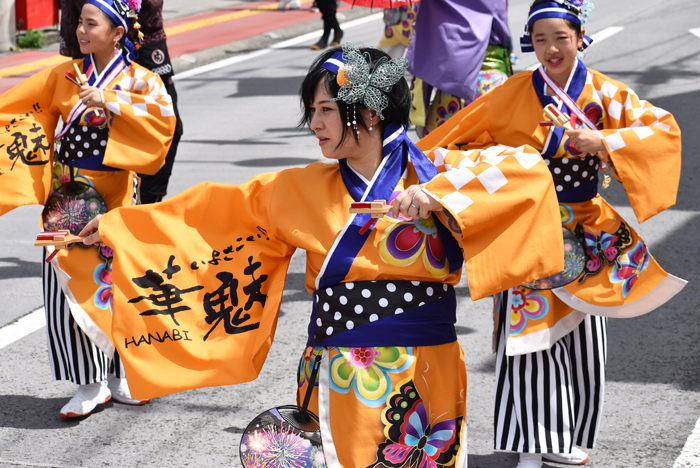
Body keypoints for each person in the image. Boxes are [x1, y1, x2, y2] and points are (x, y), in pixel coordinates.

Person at [79, 44, 563, 466]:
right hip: (338, 369)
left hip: (428, 367)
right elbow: (209, 213)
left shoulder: (438, 172)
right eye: (313, 111)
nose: (314, 123)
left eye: (327, 109)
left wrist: (443, 197)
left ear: (369, 113)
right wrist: (121, 227)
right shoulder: (301, 187)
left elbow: (527, 171)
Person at [418, 1, 686, 467]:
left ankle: (567, 439)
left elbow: (663, 131)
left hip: (587, 228)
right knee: (526, 339)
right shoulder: (515, 92)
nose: (550, 48)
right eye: (539, 40)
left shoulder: (606, 93)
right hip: (527, 226)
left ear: (580, 37)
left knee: (583, 339)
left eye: (560, 37)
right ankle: (530, 446)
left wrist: (604, 143)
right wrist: (501, 167)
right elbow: (452, 140)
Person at [0, 0, 176, 417]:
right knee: (63, 282)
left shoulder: (142, 79)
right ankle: (89, 383)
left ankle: (120, 375)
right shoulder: (64, 74)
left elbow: (163, 122)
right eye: (79, 22)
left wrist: (110, 100)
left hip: (115, 194)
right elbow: (20, 111)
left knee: (114, 283)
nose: (80, 30)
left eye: (90, 23)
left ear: (117, 33)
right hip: (66, 192)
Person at [59, 0, 184, 204]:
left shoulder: (146, 79)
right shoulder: (80, 38)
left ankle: (148, 200)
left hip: (145, 43)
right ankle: (88, 197)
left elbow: (162, 113)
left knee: (169, 127)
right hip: (93, 51)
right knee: (92, 124)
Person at [406, 0, 512, 137]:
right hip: (493, 80)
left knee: (442, 151)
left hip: (452, 90)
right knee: (501, 149)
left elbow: (426, 36)